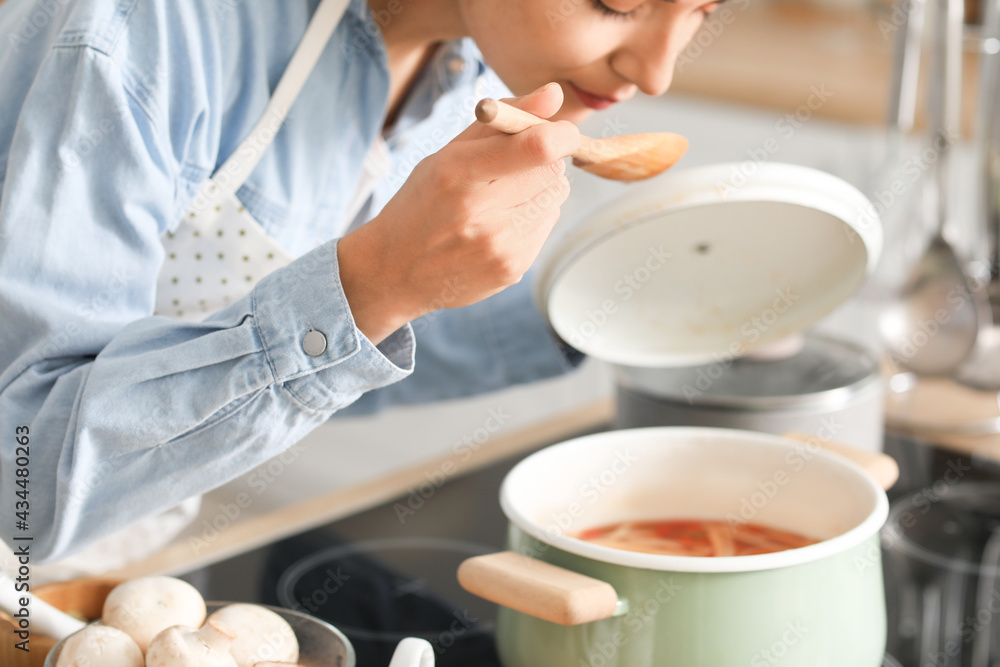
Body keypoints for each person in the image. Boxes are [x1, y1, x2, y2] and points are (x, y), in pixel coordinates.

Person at [0, 0, 723, 568]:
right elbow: (18, 484)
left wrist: (617, 308)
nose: (656, 74)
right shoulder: (139, 29)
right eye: (618, 3)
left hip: (127, 560)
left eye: (703, 10)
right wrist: (371, 284)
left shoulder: (464, 70)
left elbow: (341, 357)